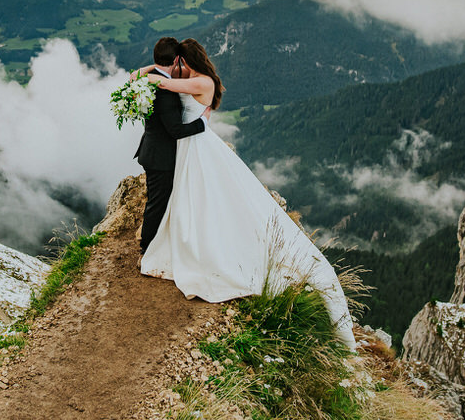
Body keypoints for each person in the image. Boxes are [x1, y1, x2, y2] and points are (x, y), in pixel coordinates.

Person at [132, 38, 356, 349]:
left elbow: (168, 87)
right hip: (187, 149)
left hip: (196, 144)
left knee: (205, 194)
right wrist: (153, 70)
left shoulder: (201, 81)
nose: (178, 67)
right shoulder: (189, 77)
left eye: (180, 61)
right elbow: (166, 81)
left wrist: (154, 74)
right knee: (192, 195)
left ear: (188, 60)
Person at [133, 37, 209, 255]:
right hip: (161, 157)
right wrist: (203, 122)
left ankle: (159, 243)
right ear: (177, 60)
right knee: (157, 204)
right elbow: (176, 131)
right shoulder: (165, 91)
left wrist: (155, 65)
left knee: (158, 201)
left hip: (152, 150)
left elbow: (133, 76)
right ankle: (147, 248)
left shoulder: (147, 79)